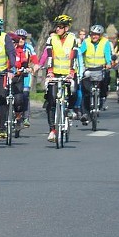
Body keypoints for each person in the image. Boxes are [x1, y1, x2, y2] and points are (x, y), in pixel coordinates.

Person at [42, 14, 78, 143]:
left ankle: (69, 110)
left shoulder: (73, 39)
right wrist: (50, 72)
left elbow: (74, 57)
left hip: (69, 73)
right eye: (56, 26)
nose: (57, 29)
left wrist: (72, 72)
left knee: (73, 92)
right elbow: (50, 57)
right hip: (55, 73)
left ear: (66, 28)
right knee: (51, 99)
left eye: (60, 27)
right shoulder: (51, 39)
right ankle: (52, 129)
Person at [78, 24, 112, 124]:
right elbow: (80, 52)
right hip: (88, 69)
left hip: (100, 68)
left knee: (105, 81)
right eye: (93, 34)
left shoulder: (105, 42)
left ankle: (102, 98)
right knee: (86, 92)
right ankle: (85, 114)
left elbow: (107, 54)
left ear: (101, 35)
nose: (94, 36)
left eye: (97, 35)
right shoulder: (86, 42)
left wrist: (108, 63)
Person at [13, 29, 38, 127]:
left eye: (23, 38)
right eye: (19, 38)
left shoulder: (28, 47)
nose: (21, 40)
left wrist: (34, 67)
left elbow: (35, 58)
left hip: (25, 73)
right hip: (13, 74)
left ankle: (26, 117)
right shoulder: (12, 47)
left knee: (25, 93)